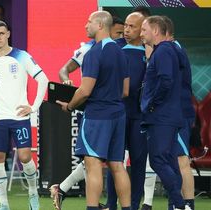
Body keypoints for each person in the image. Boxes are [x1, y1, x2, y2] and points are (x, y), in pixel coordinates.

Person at [56, 11, 130, 210]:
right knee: (117, 165)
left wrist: (70, 105)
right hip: (118, 114)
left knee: (93, 164)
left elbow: (85, 90)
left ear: (99, 25)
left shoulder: (94, 53)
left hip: (97, 115)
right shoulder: (120, 52)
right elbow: (125, 91)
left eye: (88, 22)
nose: (85, 25)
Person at [0, 20, 48, 210]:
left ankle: (33, 193)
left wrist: (34, 106)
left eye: (1, 34)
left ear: (8, 34)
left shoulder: (21, 56)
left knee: (24, 157)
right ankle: (4, 204)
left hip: (19, 116)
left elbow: (43, 79)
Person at [140, 16, 190, 210]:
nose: (141, 33)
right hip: (167, 115)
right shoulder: (167, 51)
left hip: (162, 116)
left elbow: (166, 81)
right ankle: (178, 205)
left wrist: (152, 104)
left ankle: (179, 205)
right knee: (168, 160)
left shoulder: (164, 51)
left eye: (144, 30)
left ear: (155, 31)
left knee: (158, 159)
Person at [105, 12, 147, 210]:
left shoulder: (151, 51)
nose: (127, 30)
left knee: (138, 163)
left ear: (143, 29)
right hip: (117, 114)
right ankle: (111, 204)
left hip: (139, 116)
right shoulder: (115, 47)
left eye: (133, 27)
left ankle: (134, 205)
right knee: (115, 161)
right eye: (126, 26)